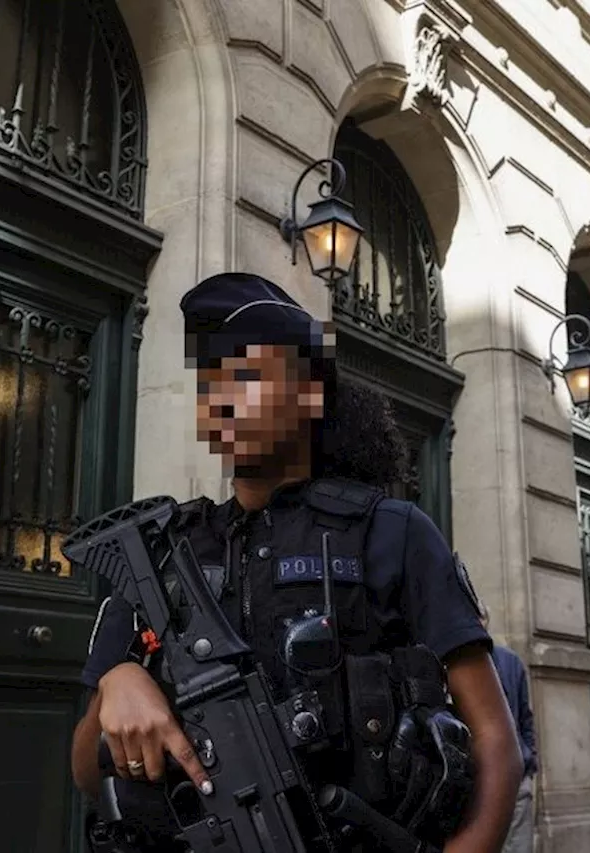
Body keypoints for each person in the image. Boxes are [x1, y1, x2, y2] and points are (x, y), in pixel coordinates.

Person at [69, 272, 522, 852]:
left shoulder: (392, 532)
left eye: (248, 377)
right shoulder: (159, 554)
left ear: (310, 394)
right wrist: (115, 684)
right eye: (210, 385)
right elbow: (86, 770)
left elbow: (494, 742)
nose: (223, 399)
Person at [478, 601, 539, 853]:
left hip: (516, 780)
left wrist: (529, 760)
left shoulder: (510, 662)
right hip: (477, 785)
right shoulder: (452, 664)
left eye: (480, 617)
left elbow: (526, 717)